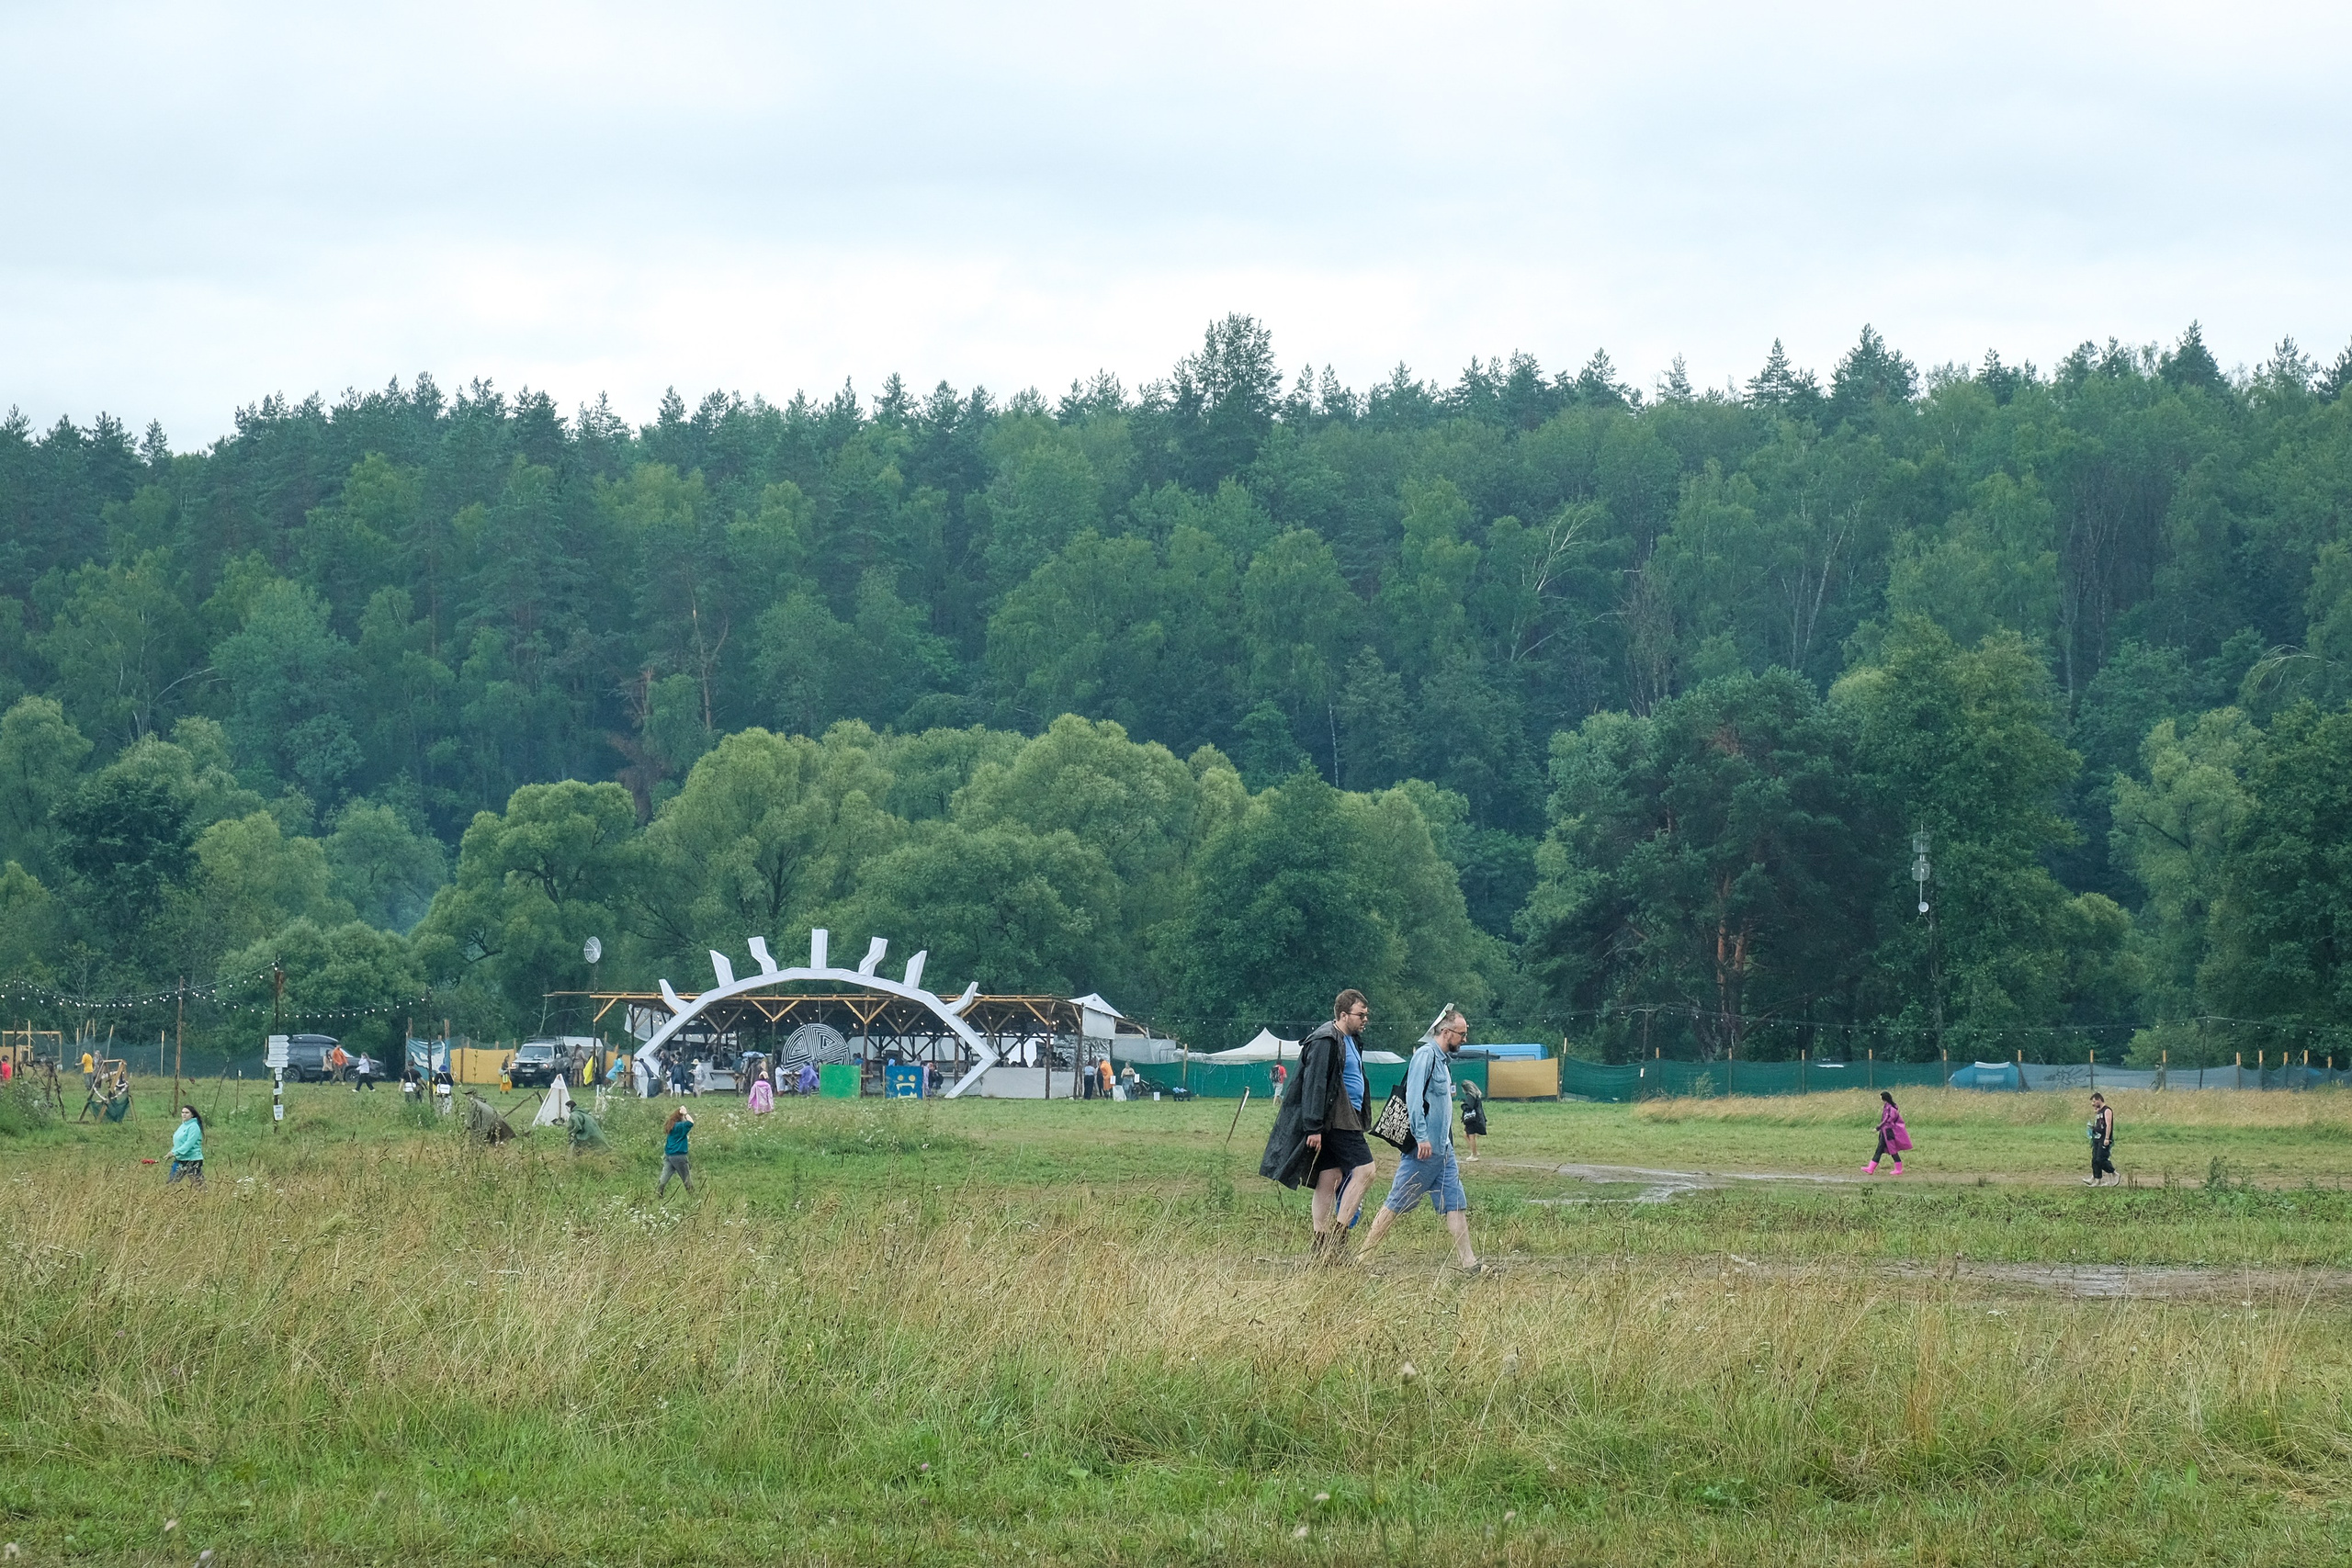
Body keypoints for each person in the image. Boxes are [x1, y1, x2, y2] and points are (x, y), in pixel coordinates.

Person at [1259, 989, 1379, 1260]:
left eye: (1367, 1015)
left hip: (1348, 1118)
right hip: (1337, 1119)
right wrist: (1313, 1127)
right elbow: (1314, 1084)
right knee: (1366, 1171)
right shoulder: (1326, 1039)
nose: (1365, 1019)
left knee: (1331, 1177)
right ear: (1343, 1014)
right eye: (1361, 1015)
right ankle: (1338, 1237)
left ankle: (1320, 1244)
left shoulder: (1351, 1039)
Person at [1358, 1006, 1480, 1271]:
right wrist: (1422, 1137)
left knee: (1455, 1205)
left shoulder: (1443, 1062)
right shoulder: (1425, 1056)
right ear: (1446, 1032)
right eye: (1462, 1034)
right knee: (1395, 1205)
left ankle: (1470, 1265)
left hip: (1444, 1153)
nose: (1464, 1039)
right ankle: (1362, 1259)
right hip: (1422, 1153)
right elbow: (1413, 1099)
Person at [1863, 1091, 1908, 1174]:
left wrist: (1877, 1128)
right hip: (1885, 1131)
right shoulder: (1889, 1107)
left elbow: (1887, 1120)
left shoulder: (1890, 1108)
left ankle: (1898, 1169)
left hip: (1888, 1132)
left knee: (1892, 1150)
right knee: (1879, 1150)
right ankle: (1871, 1168)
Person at [660, 1107, 695, 1194]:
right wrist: (685, 1113)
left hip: (668, 1155)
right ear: (681, 1117)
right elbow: (691, 1123)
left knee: (664, 1177)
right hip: (678, 1155)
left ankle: (658, 1193)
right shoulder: (680, 1126)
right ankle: (692, 1196)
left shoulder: (671, 1126)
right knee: (686, 1177)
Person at [167, 1105, 206, 1186]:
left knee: (198, 1185)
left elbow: (189, 1144)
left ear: (192, 1115)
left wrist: (175, 1153)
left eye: (187, 1113)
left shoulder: (194, 1127)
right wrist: (172, 1151)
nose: (184, 1114)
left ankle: (205, 1197)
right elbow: (178, 1143)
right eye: (182, 1112)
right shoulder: (183, 1126)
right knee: (171, 1183)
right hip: (180, 1159)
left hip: (192, 1159)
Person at [2086, 1092, 2117, 1186]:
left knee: (2101, 1159)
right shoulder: (2099, 1111)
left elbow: (2108, 1125)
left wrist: (2107, 1138)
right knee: (2095, 1159)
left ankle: (2114, 1173)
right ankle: (2097, 1179)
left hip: (2104, 1138)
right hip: (2096, 1138)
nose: (2093, 1104)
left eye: (2094, 1101)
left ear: (2099, 1100)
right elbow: (2100, 1124)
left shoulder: (2107, 1110)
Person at [1458, 1075, 1487, 1161]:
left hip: (1472, 1119)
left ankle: (1474, 1155)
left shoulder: (1470, 1096)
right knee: (1466, 1134)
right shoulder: (1475, 1095)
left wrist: (1463, 1105)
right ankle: (1475, 1151)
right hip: (1477, 1118)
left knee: (1471, 1136)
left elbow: (1469, 1106)